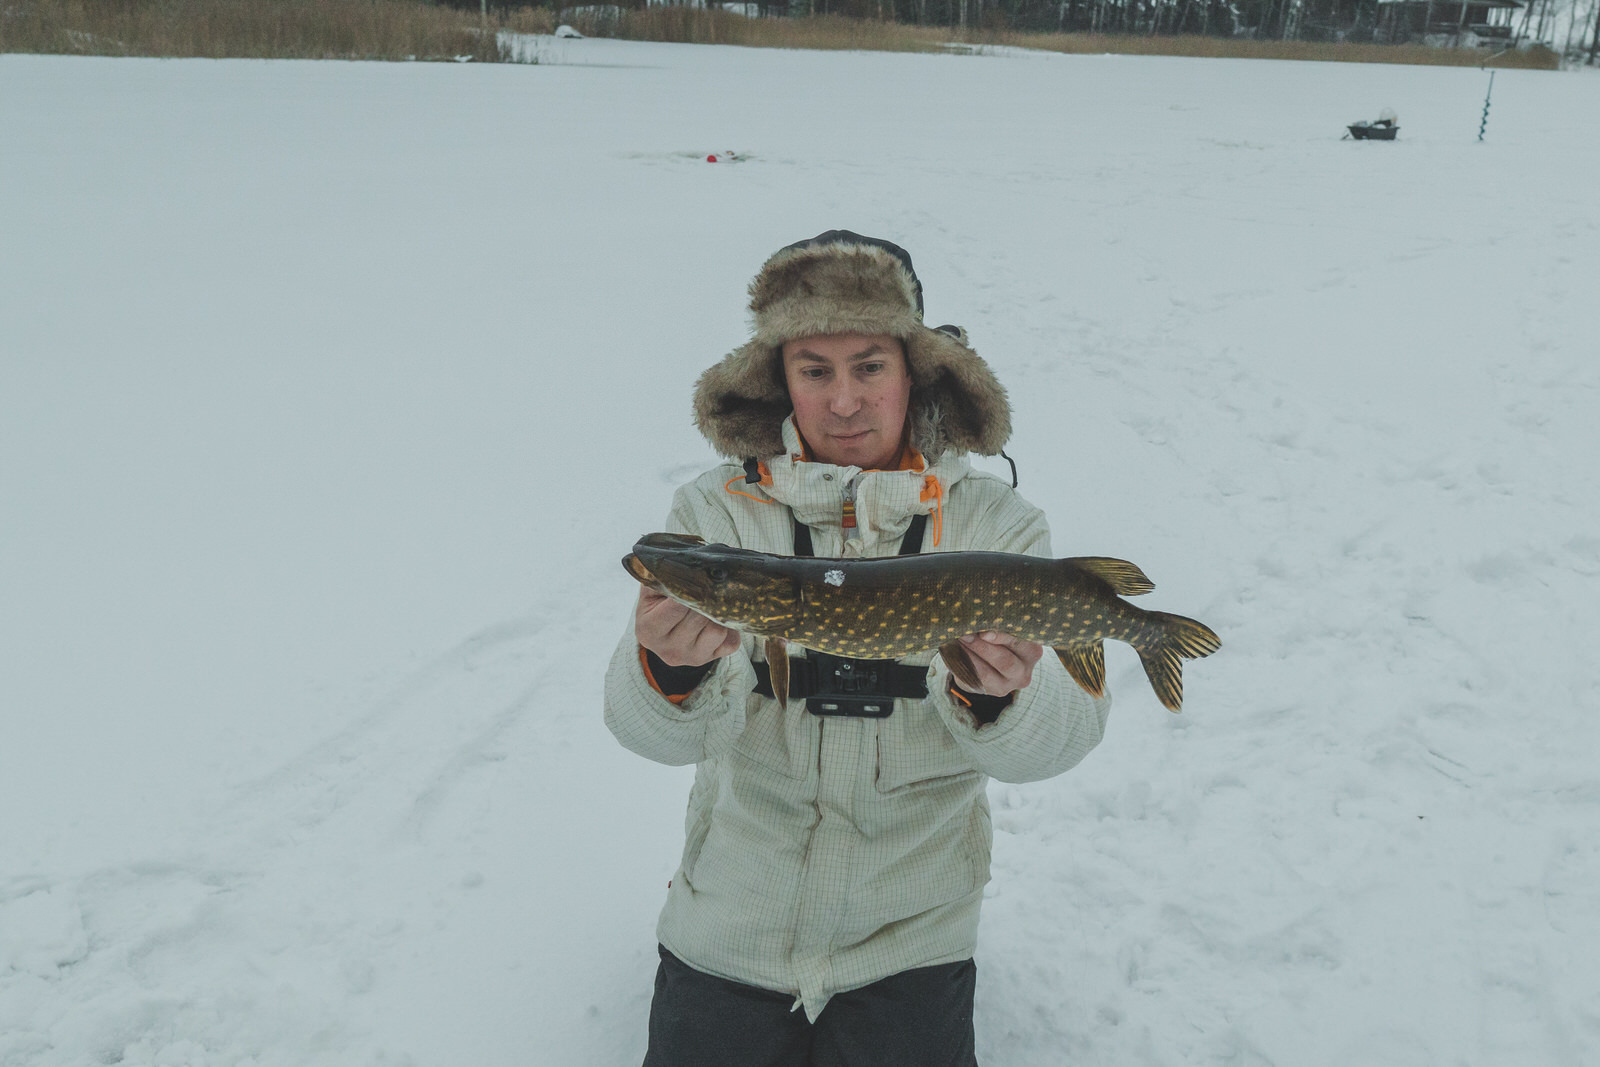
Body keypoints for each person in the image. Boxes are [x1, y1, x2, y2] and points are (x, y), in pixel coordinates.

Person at [604, 231, 1112, 1067]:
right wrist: (670, 671)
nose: (843, 401)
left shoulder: (995, 525)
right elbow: (651, 736)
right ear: (780, 380)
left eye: (869, 366)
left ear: (916, 370)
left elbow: (1060, 744)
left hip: (908, 938)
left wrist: (1003, 698)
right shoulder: (715, 515)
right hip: (731, 925)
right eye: (815, 369)